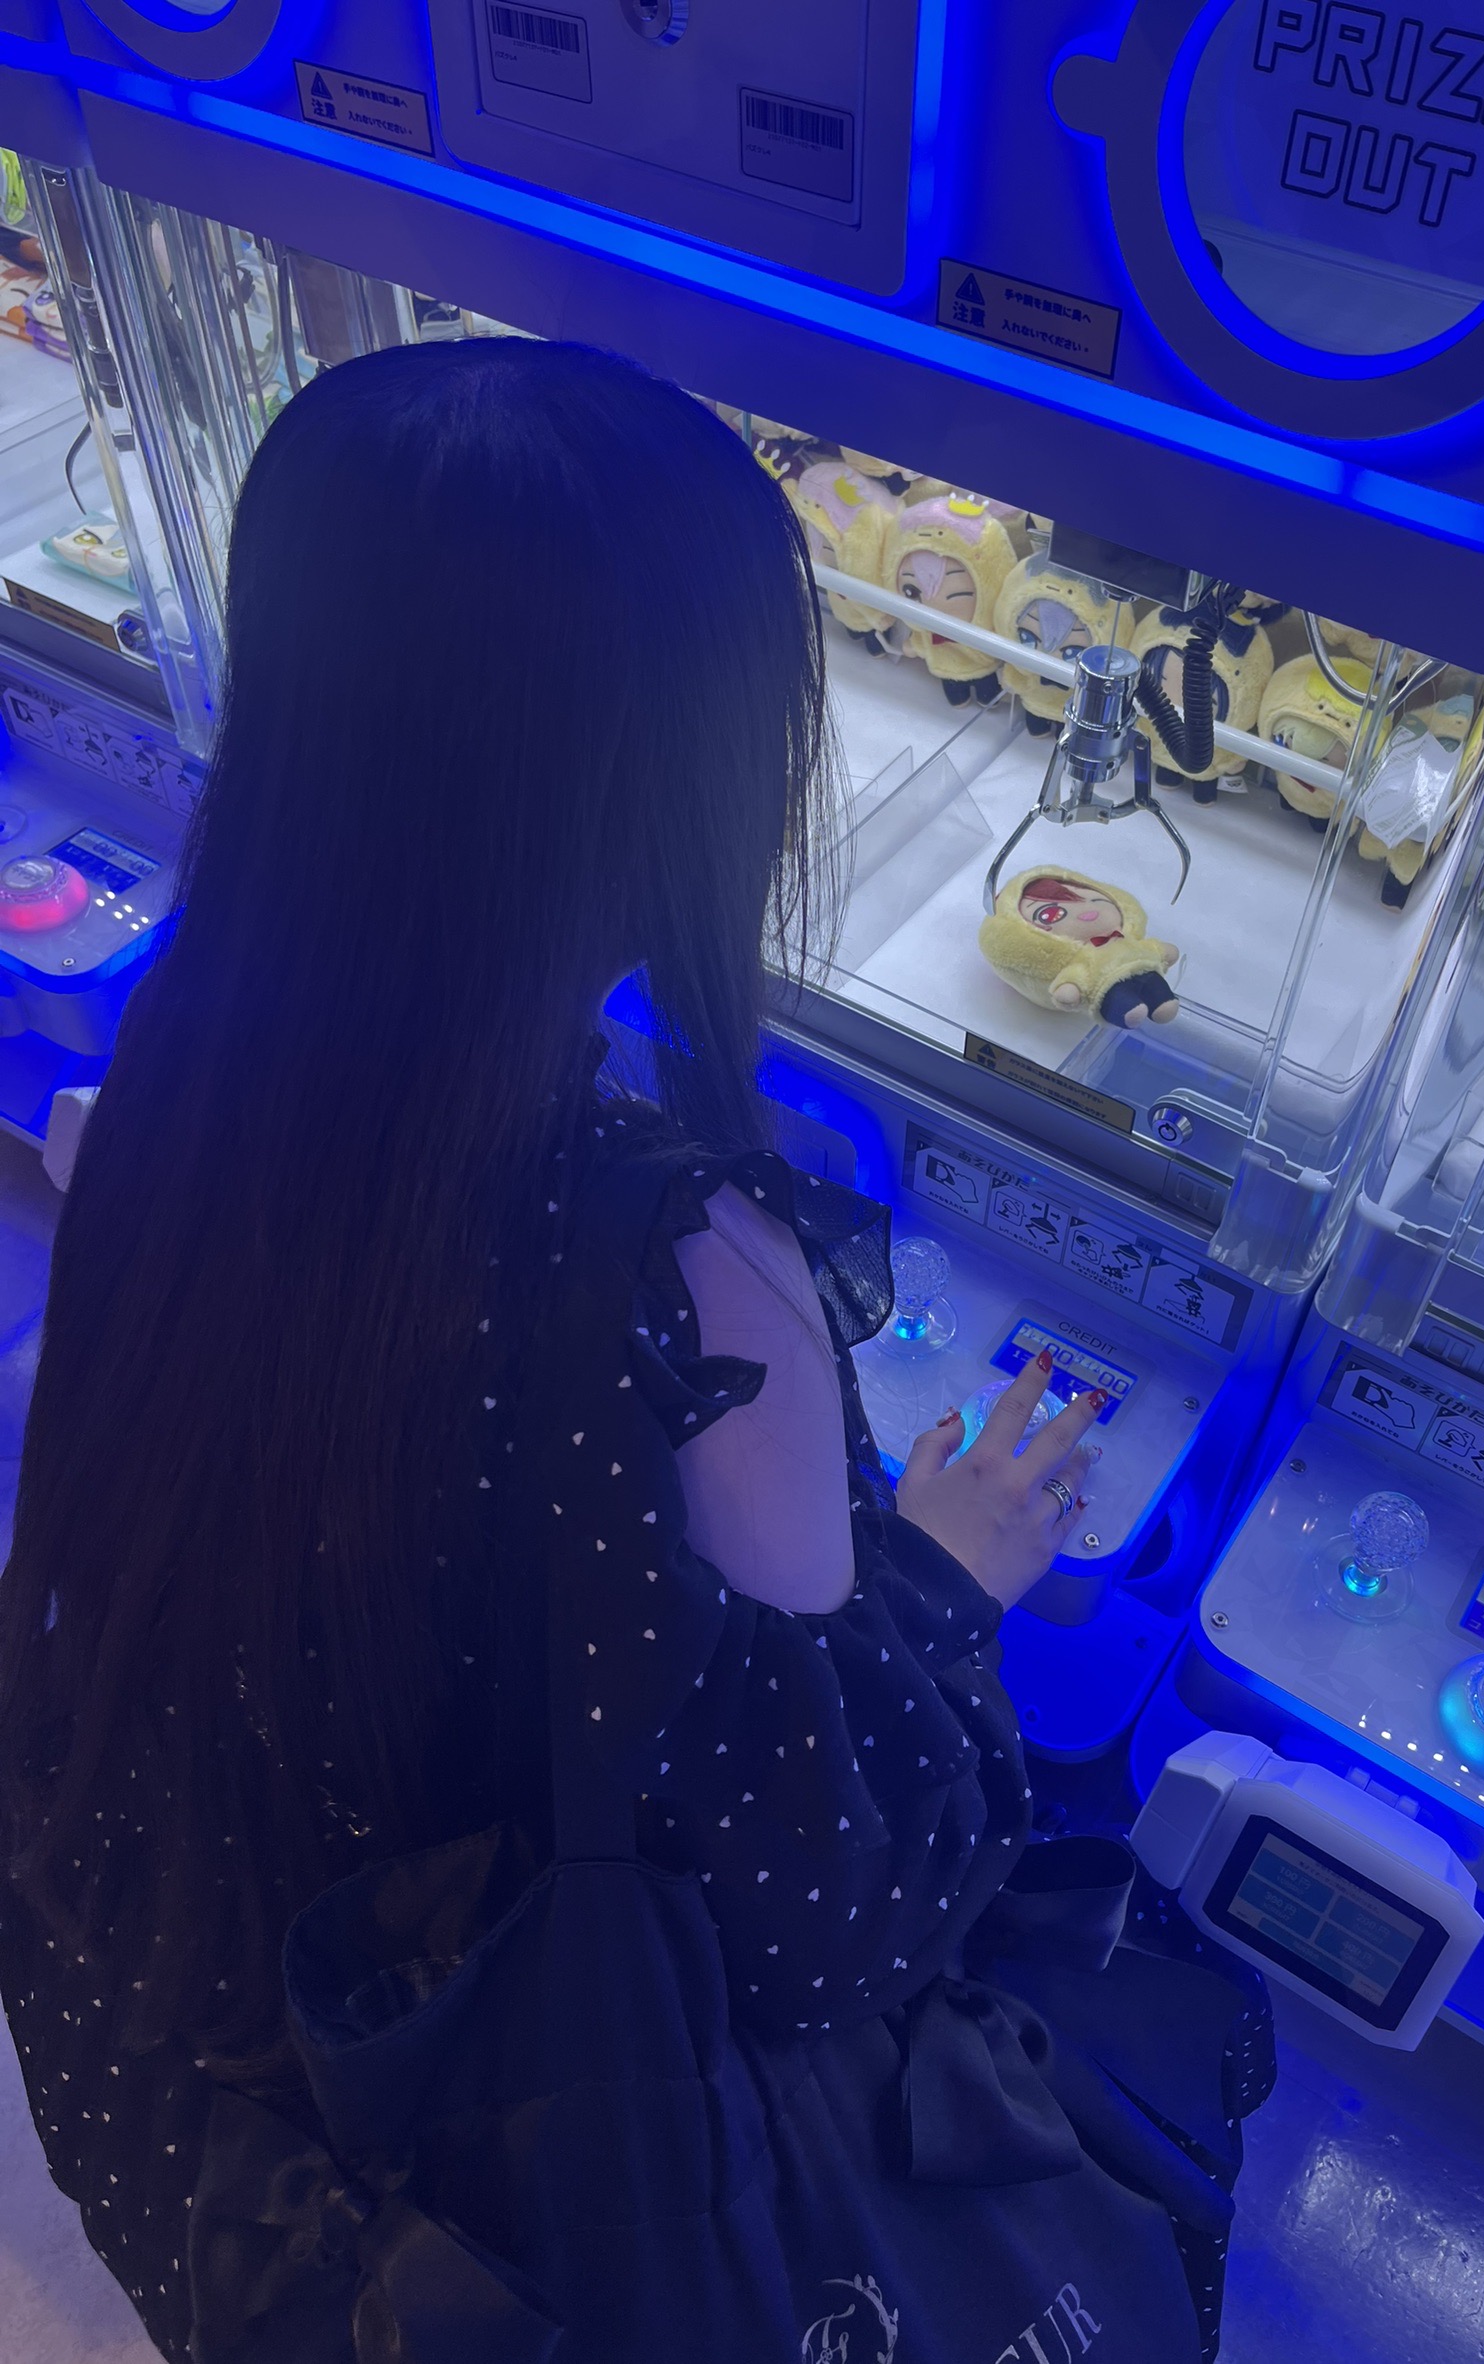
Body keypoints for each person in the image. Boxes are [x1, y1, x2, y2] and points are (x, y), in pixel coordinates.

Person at [0, 339, 1105, 2360]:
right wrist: (951, 1576)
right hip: (493, 2207)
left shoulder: (178, 1047)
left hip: (192, 2095)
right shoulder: (689, 1265)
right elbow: (830, 1910)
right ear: (685, 781)